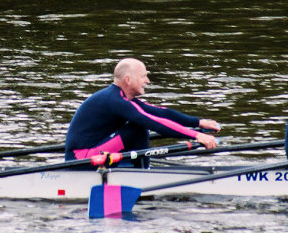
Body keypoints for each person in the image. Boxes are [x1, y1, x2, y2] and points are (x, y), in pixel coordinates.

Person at [64, 58, 220, 168]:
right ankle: (142, 173)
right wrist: (196, 135)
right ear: (128, 80)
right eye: (143, 76)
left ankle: (140, 169)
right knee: (138, 128)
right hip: (82, 159)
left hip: (95, 149)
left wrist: (198, 123)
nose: (148, 81)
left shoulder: (121, 97)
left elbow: (161, 113)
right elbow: (155, 122)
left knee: (139, 126)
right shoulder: (116, 101)